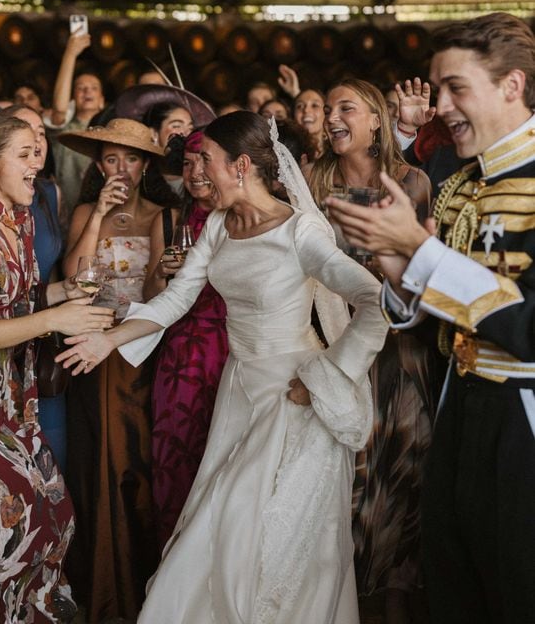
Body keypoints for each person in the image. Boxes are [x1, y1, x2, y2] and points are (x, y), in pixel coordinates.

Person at [59, 111, 389, 624]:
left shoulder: (300, 231)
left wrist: (324, 377)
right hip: (238, 393)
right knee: (212, 535)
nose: (195, 172)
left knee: (268, 542)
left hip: (293, 400)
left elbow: (373, 301)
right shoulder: (217, 225)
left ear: (239, 166)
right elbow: (175, 301)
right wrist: (109, 340)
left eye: (204, 160)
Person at [326, 13, 535, 624]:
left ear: (512, 86)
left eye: (456, 89)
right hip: (457, 411)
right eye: (437, 89)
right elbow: (433, 317)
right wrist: (395, 266)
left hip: (523, 423)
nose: (439, 107)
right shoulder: (457, 187)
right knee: (455, 585)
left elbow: (527, 329)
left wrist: (422, 254)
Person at [0, 111, 114, 623]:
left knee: (56, 519)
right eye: (24, 154)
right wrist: (54, 316)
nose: (38, 162)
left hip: (17, 401)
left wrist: (63, 294)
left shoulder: (19, 218)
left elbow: (17, 301)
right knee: (11, 540)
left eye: (38, 151)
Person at [309, 80, 435, 622]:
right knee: (346, 471)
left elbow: (426, 270)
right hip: (334, 345)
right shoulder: (312, 182)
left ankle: (396, 599)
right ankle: (341, 599)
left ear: (377, 121)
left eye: (347, 108)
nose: (334, 117)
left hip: (401, 351)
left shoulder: (411, 182)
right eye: (329, 109)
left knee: (402, 470)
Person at [59, 118, 175, 623]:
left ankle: (137, 581)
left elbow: (155, 294)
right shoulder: (86, 208)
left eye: (130, 159)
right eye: (110, 159)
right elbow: (73, 281)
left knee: (132, 460)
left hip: (137, 349)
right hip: (88, 339)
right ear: (98, 165)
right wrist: (98, 215)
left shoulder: (161, 213)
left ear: (145, 164)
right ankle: (99, 585)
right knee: (92, 461)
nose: (121, 169)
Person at [143, 129, 227, 550]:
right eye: (187, 163)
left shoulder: (239, 215)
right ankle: (175, 559)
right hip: (182, 354)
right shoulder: (180, 218)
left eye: (202, 161)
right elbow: (159, 297)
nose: (194, 173)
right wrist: (162, 272)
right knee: (173, 456)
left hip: (231, 350)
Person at [11, 103, 67, 470]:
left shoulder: (50, 192)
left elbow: (54, 263)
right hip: (8, 337)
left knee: (54, 449)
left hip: (47, 341)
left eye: (42, 134)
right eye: (26, 134)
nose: (37, 142)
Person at [45, 29, 105, 211]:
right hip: (66, 216)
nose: (87, 91)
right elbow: (59, 110)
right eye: (80, 88)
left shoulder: (111, 133)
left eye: (93, 88)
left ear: (102, 101)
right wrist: (70, 53)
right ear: (71, 98)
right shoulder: (63, 131)